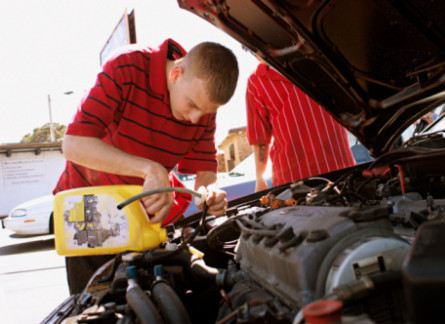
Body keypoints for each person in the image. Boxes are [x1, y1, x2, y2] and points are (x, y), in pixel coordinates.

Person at [53, 39, 239, 294]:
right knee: (99, 309)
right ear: (176, 73)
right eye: (193, 106)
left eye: (206, 112)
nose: (197, 118)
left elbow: (205, 170)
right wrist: (151, 170)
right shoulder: (126, 66)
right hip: (92, 214)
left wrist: (210, 193)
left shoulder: (202, 104)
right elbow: (74, 145)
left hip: (148, 221)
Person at [246, 62, 356, 191]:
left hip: (340, 169)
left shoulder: (320, 63)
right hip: (291, 180)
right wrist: (260, 179)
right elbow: (260, 137)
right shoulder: (255, 81)